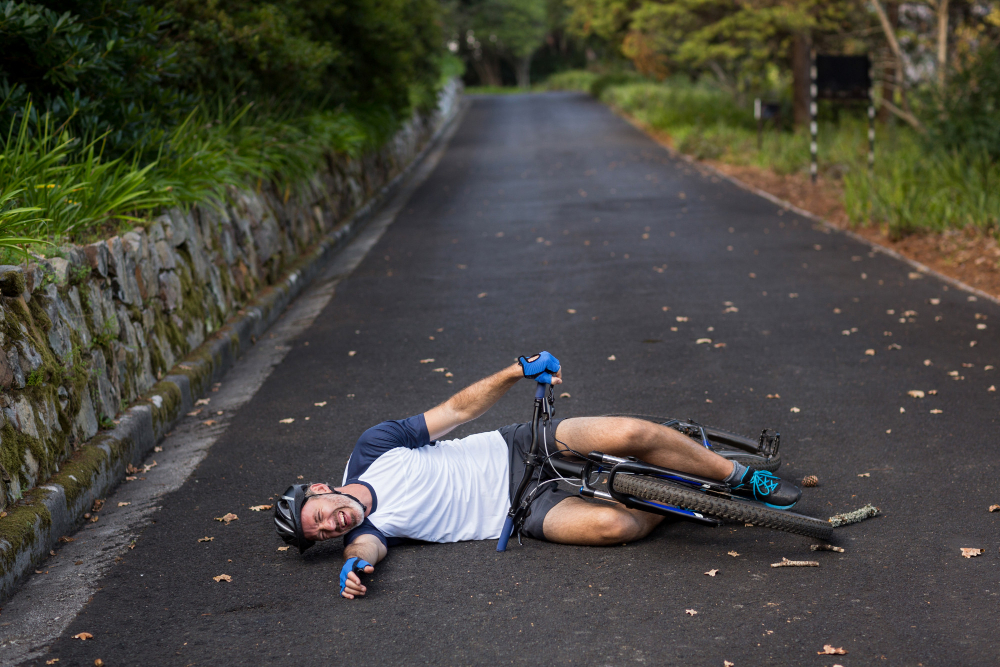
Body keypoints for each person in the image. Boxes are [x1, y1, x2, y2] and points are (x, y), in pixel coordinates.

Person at [273, 352, 800, 599]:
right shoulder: (369, 531)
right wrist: (353, 568)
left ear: (321, 489)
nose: (331, 526)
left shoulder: (373, 449)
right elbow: (365, 550)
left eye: (320, 516)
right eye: (322, 534)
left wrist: (514, 371)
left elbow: (456, 412)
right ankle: (686, 496)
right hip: (521, 511)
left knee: (629, 433)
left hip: (514, 446)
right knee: (614, 529)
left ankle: (737, 479)